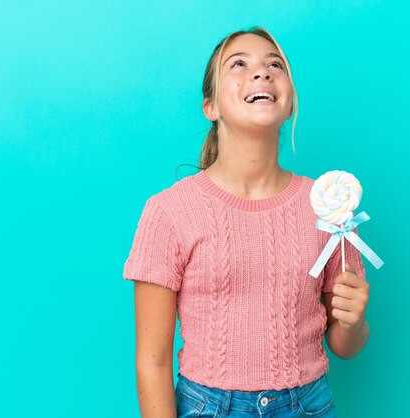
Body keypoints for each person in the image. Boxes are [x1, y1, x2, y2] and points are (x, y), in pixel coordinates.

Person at [123, 26, 370, 418]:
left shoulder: (328, 207)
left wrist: (354, 323)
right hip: (208, 406)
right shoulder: (170, 212)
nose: (262, 72)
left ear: (288, 104)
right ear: (211, 106)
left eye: (275, 65)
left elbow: (344, 345)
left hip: (309, 404)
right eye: (239, 64)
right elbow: (151, 363)